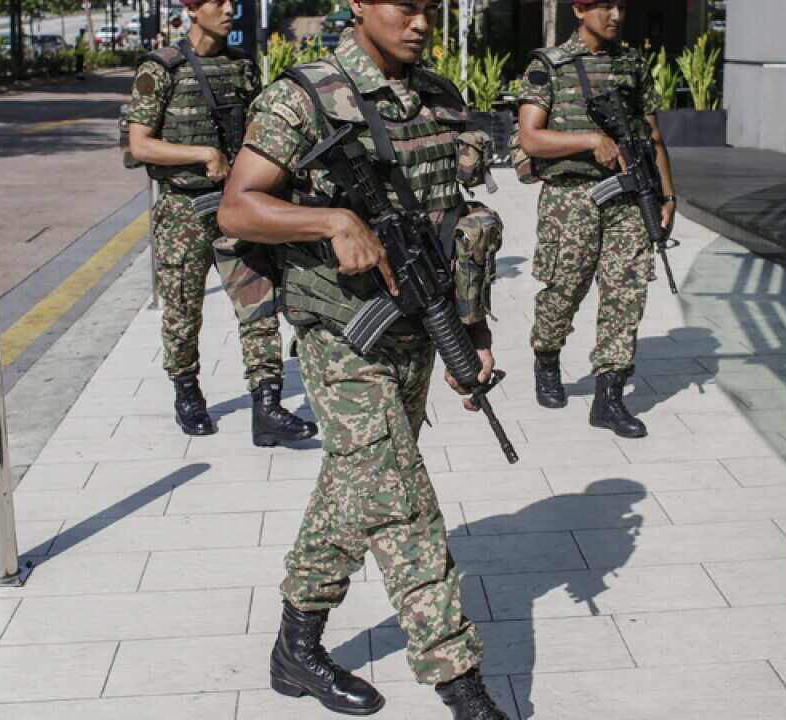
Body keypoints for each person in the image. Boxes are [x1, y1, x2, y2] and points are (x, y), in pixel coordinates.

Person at [216, 2, 508, 717]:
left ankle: (297, 646)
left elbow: (453, 217)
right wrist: (330, 219)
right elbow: (237, 207)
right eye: (403, 4)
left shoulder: (436, 96)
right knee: (403, 502)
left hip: (415, 324)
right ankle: (462, 688)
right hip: (342, 332)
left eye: (429, 7)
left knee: (360, 488)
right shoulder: (303, 96)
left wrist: (467, 327)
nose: (419, 21)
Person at [126, 0, 318, 446]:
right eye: (217, 2)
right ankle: (187, 391)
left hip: (234, 206)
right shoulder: (161, 69)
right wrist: (202, 154)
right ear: (192, 8)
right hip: (183, 212)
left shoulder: (241, 69)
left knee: (259, 303)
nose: (229, 9)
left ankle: (267, 404)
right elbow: (140, 146)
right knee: (182, 310)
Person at [516, 0, 676, 438]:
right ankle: (546, 356)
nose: (617, 14)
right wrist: (589, 140)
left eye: (621, 5)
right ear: (579, 8)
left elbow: (653, 134)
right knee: (565, 288)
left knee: (626, 291)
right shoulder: (549, 65)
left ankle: (609, 395)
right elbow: (530, 138)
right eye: (604, 5)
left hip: (628, 195)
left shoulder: (631, 63)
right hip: (570, 197)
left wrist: (667, 195)